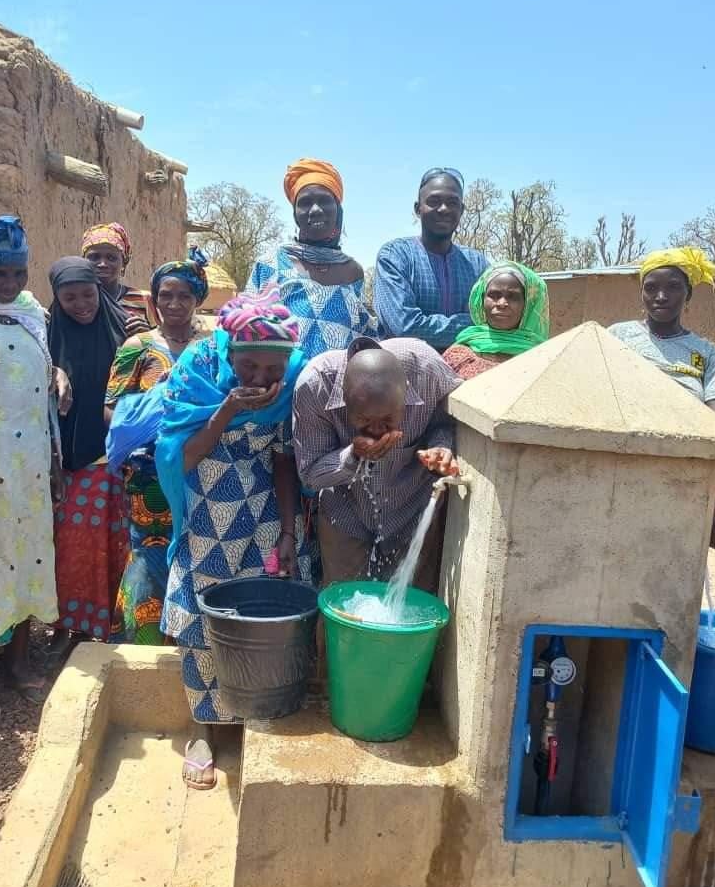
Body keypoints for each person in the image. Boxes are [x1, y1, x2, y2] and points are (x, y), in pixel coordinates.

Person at [157, 288, 309, 789]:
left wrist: (288, 531)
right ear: (229, 353)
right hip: (208, 520)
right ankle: (201, 729)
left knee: (265, 621)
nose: (262, 380)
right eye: (249, 367)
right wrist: (226, 409)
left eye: (272, 370)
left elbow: (283, 458)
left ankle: (250, 713)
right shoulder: (198, 375)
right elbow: (182, 458)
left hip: (265, 516)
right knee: (203, 621)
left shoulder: (289, 386)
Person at [608, 247, 715, 609]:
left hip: (681, 478)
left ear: (688, 294)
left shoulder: (704, 353)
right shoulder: (618, 337)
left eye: (673, 287)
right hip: (621, 470)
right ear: (641, 292)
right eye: (651, 287)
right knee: (615, 572)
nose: (661, 296)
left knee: (668, 584)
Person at [293, 337, 462, 591]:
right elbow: (310, 475)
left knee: (409, 605)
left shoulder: (426, 370)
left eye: (387, 419)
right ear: (345, 399)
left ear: (404, 395)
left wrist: (441, 446)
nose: (376, 429)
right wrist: (351, 457)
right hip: (346, 512)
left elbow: (448, 421)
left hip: (412, 508)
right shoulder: (316, 386)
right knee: (344, 604)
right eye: (363, 419)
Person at [105, 249, 210, 644]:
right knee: (149, 555)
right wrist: (153, 423)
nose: (174, 304)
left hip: (201, 470)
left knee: (195, 549)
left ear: (197, 299)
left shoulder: (211, 348)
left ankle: (188, 642)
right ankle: (143, 642)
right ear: (153, 298)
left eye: (184, 295)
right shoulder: (138, 347)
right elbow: (111, 411)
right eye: (165, 295)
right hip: (148, 478)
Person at [0, 216, 63, 709]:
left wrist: (53, 461)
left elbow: (41, 398)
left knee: (29, 558)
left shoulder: (33, 316)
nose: (8, 284)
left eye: (16, 273)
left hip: (28, 468)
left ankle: (17, 660)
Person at [47, 257, 129, 660]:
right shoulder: (44, 337)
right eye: (69, 297)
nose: (81, 304)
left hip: (120, 455)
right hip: (71, 458)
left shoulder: (127, 331)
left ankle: (114, 626)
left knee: (119, 545)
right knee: (75, 548)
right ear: (57, 300)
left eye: (87, 294)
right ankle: (71, 625)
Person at [248, 157, 377, 355]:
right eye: (305, 203)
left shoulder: (353, 271)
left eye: (325, 201)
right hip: (282, 383)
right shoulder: (270, 264)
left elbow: (362, 332)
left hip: (340, 381)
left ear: (338, 209)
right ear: (294, 213)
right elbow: (242, 329)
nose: (315, 210)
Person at [374, 168, 487, 351]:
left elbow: (497, 320)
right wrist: (473, 325)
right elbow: (405, 327)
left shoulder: (477, 264)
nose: (444, 209)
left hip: (470, 371)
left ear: (462, 210)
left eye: (452, 202)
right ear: (418, 209)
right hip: (406, 372)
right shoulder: (395, 256)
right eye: (434, 202)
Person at [443, 261, 550, 379]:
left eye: (513, 296)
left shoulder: (545, 359)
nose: (502, 303)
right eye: (494, 295)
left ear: (528, 305)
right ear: (481, 300)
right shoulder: (458, 356)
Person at [82, 222, 157, 332]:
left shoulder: (144, 300)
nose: (102, 264)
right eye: (94, 257)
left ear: (124, 263)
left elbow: (164, 341)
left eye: (111, 258)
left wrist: (147, 335)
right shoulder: (75, 299)